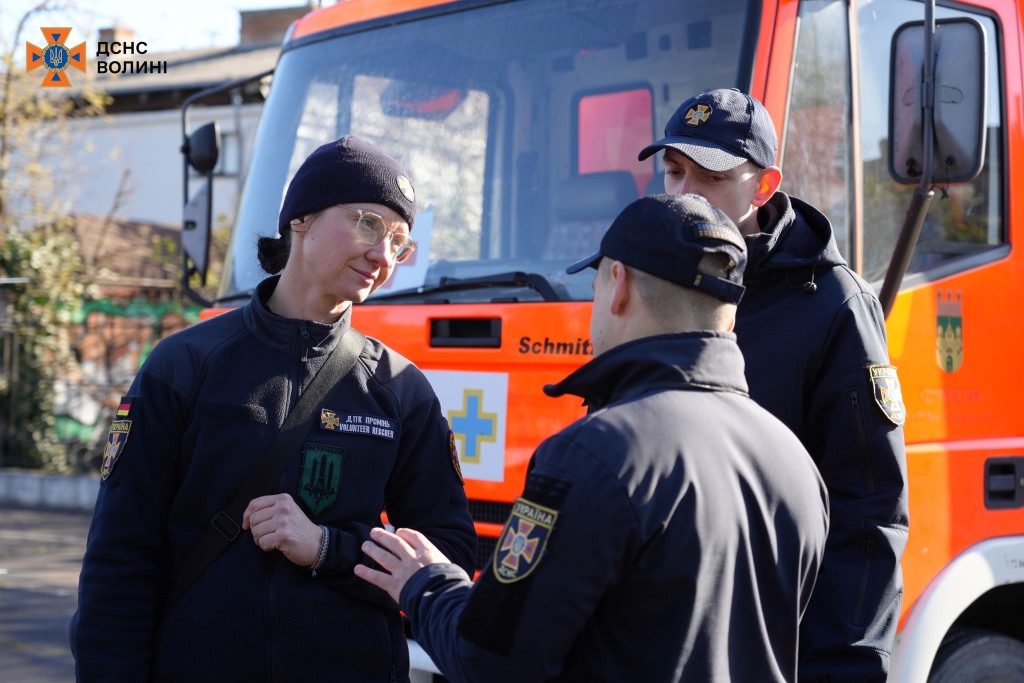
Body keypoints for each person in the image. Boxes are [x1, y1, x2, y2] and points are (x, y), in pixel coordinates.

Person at [355, 193, 829, 682]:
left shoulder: (595, 454)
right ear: (728, 317)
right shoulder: (794, 461)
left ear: (617, 285)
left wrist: (426, 584)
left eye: (596, 282)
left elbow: (491, 659)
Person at [70, 136, 477, 683]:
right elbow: (119, 559)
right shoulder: (184, 366)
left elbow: (448, 552)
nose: (383, 257)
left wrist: (328, 548)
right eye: (367, 224)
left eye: (399, 241)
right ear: (300, 219)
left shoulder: (400, 388)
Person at [638, 88, 909, 682]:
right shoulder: (655, 281)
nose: (683, 195)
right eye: (674, 172)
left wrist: (842, 669)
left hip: (772, 648)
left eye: (710, 176)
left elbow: (869, 514)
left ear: (763, 186)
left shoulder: (836, 306)